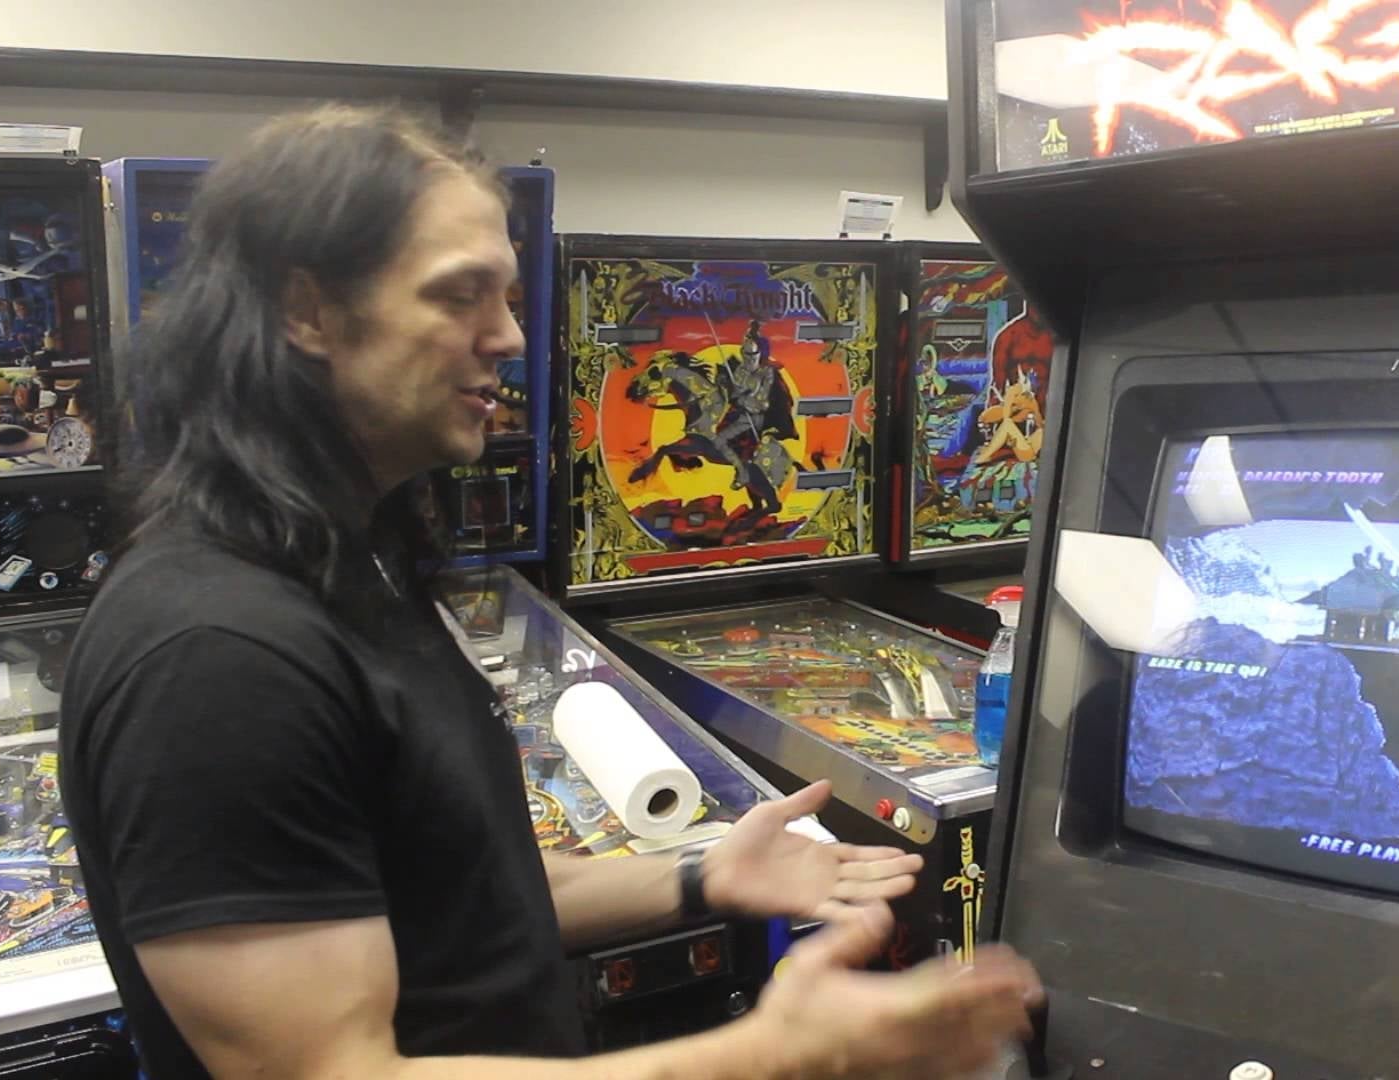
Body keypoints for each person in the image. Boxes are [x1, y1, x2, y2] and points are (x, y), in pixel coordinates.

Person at [58, 105, 1039, 1080]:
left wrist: (698, 876)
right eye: (460, 296)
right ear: (305, 310)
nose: (511, 338)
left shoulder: (347, 566)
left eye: (508, 298)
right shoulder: (214, 655)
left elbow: (459, 898)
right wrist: (778, 1055)